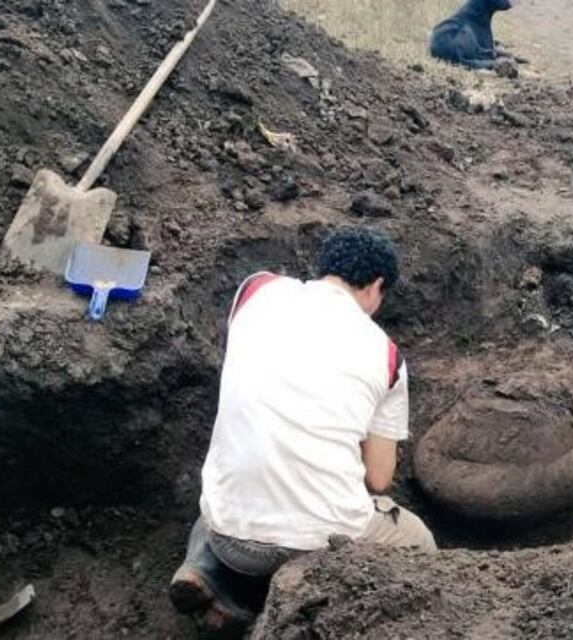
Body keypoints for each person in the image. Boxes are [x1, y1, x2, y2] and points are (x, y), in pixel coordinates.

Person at [169, 227, 436, 637]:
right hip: (319, 549)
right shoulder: (387, 357)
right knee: (418, 541)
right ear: (376, 287)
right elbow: (379, 478)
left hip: (231, 542)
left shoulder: (256, 291)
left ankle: (208, 575)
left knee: (223, 485)